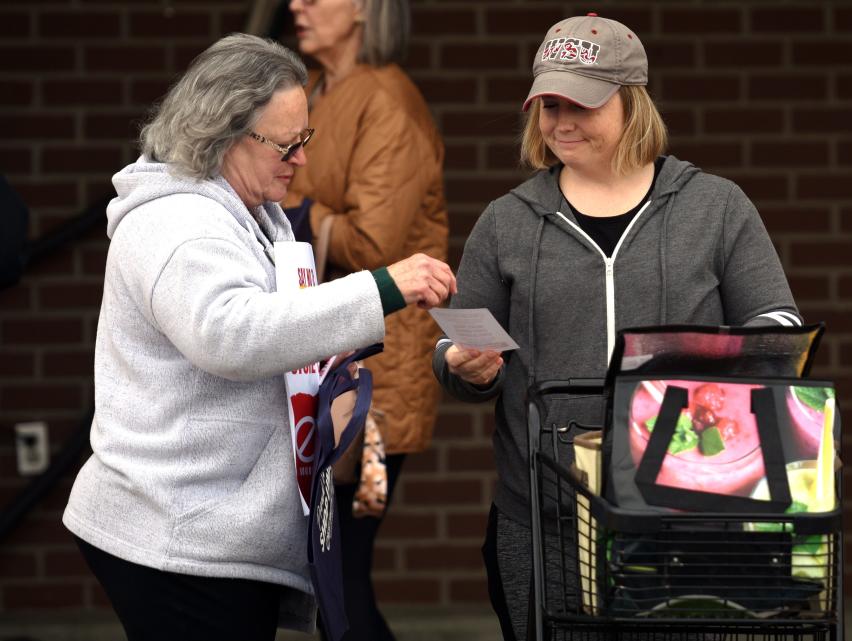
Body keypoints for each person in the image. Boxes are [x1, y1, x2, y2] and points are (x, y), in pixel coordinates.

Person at [61, 33, 456, 641]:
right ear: (222, 134)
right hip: (176, 534)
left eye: (306, 139)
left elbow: (266, 332)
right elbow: (229, 334)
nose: (300, 160)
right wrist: (378, 290)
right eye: (285, 144)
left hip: (205, 525)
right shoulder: (180, 225)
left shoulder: (244, 211)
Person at [432, 13, 803, 641]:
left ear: (632, 104)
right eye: (547, 105)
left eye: (580, 103)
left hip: (692, 516)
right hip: (545, 517)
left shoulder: (715, 207)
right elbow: (459, 350)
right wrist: (459, 362)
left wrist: (714, 361)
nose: (560, 122)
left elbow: (777, 324)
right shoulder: (506, 222)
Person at [282, 1, 448, 639]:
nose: (297, 3)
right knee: (328, 572)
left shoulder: (388, 104)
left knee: (340, 573)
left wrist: (290, 202)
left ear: (362, 7)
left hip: (376, 374)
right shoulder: (319, 90)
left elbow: (377, 249)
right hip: (328, 356)